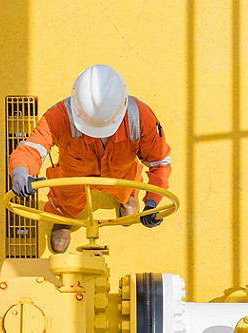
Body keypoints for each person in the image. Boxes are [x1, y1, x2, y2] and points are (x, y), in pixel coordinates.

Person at [9, 64, 172, 253]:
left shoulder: (141, 118)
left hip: (121, 175)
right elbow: (33, 147)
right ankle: (63, 218)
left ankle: (127, 197)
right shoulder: (59, 116)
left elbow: (160, 162)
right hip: (72, 179)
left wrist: (152, 201)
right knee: (65, 202)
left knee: (127, 187)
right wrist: (21, 170)